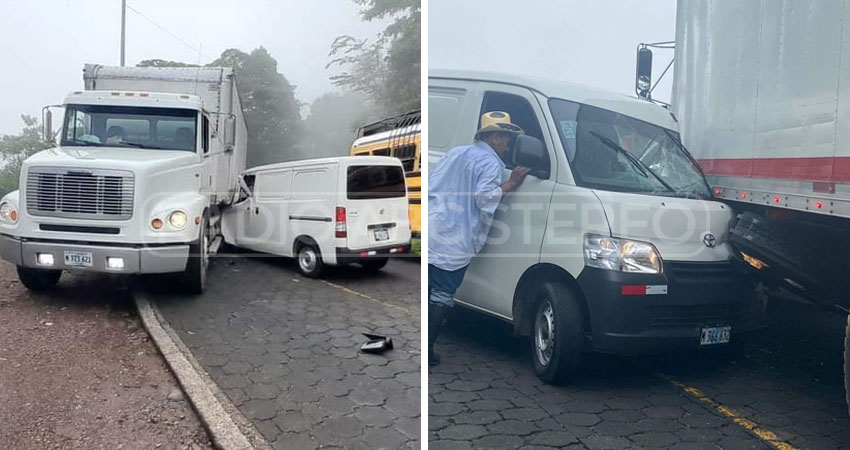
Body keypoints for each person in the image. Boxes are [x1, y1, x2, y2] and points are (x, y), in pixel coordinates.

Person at [428, 111, 531, 366]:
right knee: (442, 293)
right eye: (506, 139)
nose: (508, 145)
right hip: (455, 238)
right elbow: (485, 200)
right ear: (494, 137)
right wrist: (512, 184)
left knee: (428, 288)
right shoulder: (491, 164)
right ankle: (428, 350)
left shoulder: (455, 152)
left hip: (433, 228)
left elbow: (433, 185)